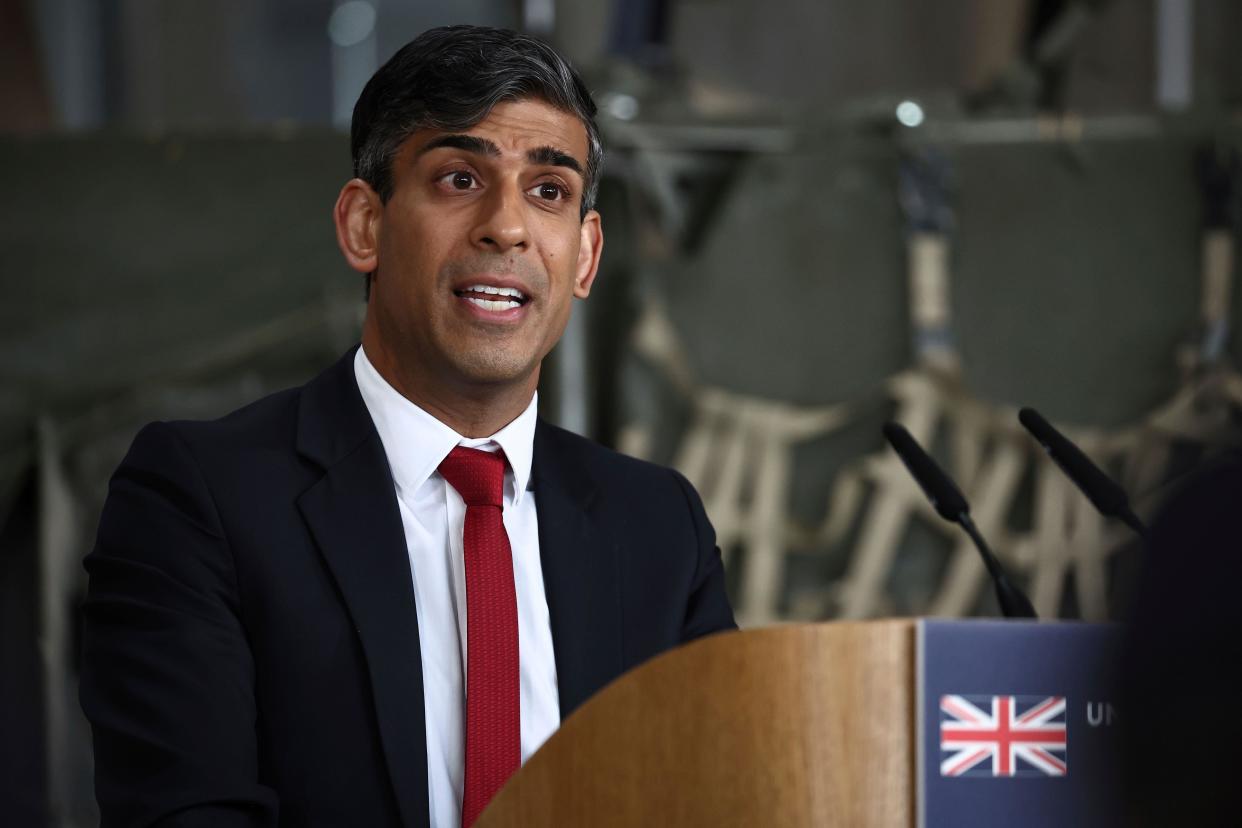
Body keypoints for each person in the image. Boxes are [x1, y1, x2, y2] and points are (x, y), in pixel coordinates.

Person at [79, 25, 736, 828]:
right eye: (461, 178)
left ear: (587, 257)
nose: (508, 227)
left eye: (550, 191)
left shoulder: (659, 525)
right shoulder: (202, 498)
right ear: (364, 226)